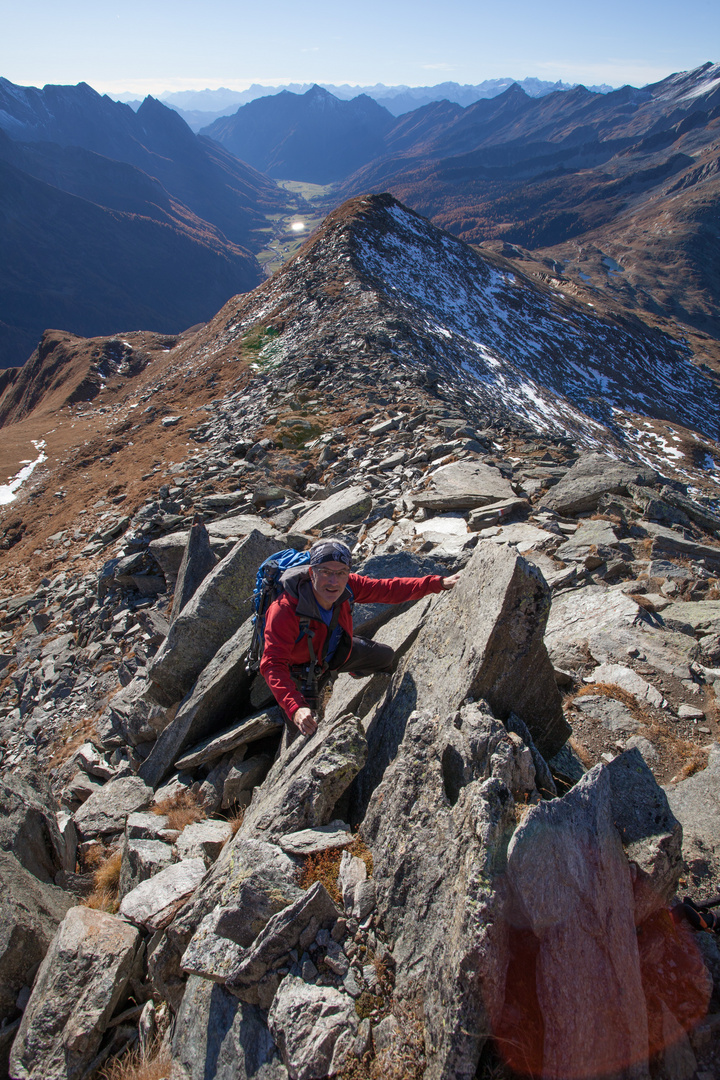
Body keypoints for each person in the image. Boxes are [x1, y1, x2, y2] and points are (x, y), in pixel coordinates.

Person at [260, 538, 461, 736]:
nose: (333, 581)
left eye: (341, 573)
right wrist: (295, 708)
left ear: (348, 573)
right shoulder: (284, 609)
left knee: (385, 657)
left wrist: (437, 583)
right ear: (312, 572)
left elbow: (388, 589)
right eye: (326, 572)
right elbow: (273, 664)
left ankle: (351, 672)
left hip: (337, 651)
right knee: (304, 728)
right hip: (300, 671)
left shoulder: (349, 586)